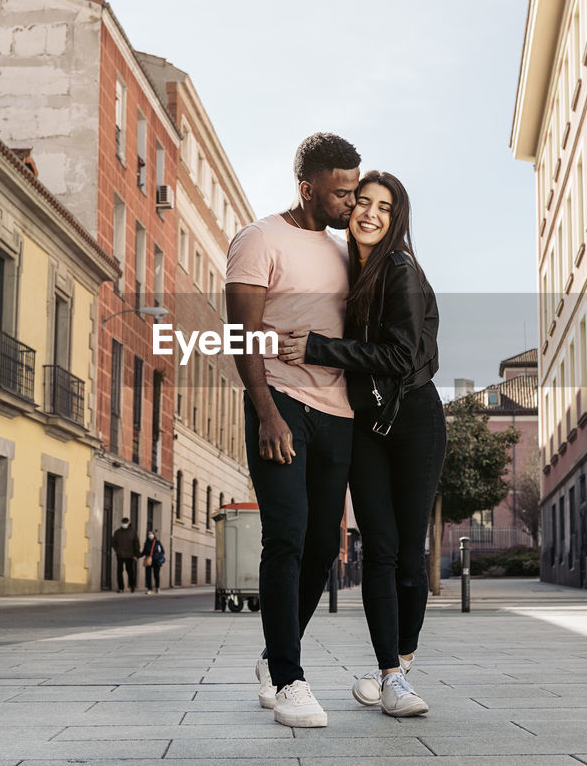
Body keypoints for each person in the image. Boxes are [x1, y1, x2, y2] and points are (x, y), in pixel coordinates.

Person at [278, 171, 442, 718]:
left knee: (408, 556)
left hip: (414, 420)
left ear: (397, 219)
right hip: (368, 425)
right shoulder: (357, 271)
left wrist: (320, 349)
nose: (369, 213)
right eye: (362, 202)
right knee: (381, 547)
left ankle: (400, 662)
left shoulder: (400, 270)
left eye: (384, 207)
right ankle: (392, 677)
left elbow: (402, 357)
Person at [225, 132, 361, 729]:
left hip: (339, 413)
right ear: (307, 187)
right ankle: (288, 677)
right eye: (339, 193)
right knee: (285, 535)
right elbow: (243, 335)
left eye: (354, 191)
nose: (350, 204)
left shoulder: (343, 251)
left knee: (319, 549)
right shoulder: (259, 240)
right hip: (280, 401)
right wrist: (265, 410)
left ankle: (272, 655)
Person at [110, 517, 140, 593]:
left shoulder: (132, 532)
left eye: (126, 523)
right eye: (123, 522)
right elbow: (113, 542)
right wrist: (117, 550)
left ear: (128, 523)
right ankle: (121, 588)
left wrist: (136, 554)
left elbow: (136, 544)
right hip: (120, 555)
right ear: (121, 522)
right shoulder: (117, 532)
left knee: (130, 571)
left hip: (130, 555)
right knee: (119, 571)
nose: (124, 524)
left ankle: (132, 586)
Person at [141, 529, 165, 594]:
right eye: (148, 534)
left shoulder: (157, 542)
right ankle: (149, 589)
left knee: (156, 575)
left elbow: (162, 551)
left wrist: (159, 557)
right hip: (149, 560)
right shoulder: (146, 543)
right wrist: (137, 556)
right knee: (148, 575)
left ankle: (157, 587)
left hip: (156, 561)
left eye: (151, 534)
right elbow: (144, 552)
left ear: (153, 535)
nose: (150, 535)